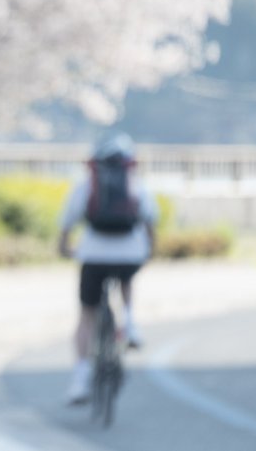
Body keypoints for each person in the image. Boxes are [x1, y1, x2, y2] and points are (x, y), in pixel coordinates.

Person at [57, 133, 158, 405]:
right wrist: (148, 250)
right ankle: (130, 322)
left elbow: (67, 221)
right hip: (130, 254)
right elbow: (150, 220)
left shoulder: (87, 185)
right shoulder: (136, 184)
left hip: (92, 255)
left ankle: (80, 379)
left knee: (87, 315)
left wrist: (65, 247)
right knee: (126, 278)